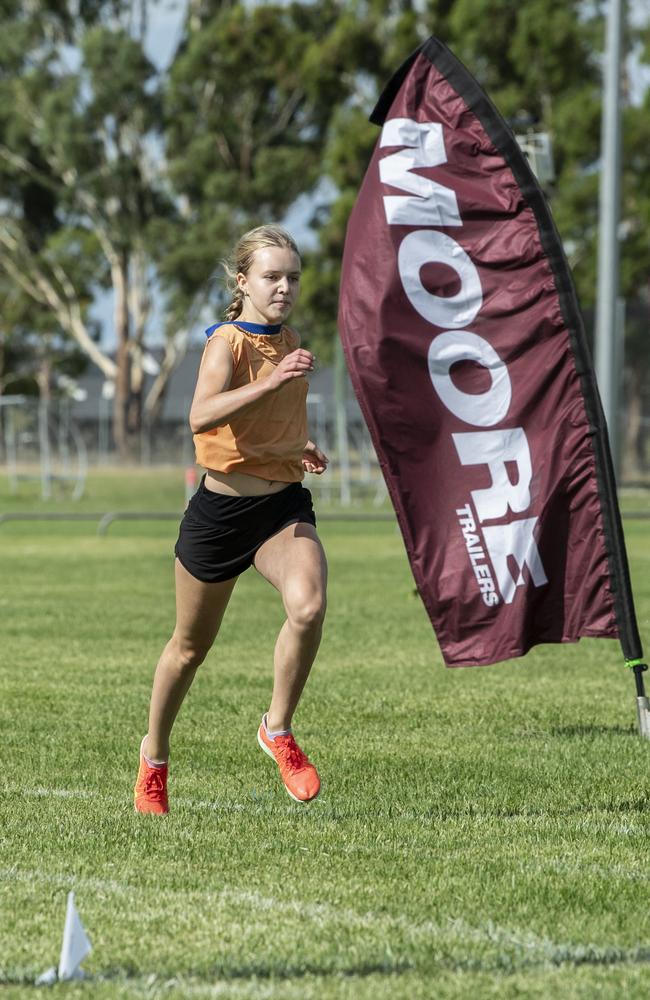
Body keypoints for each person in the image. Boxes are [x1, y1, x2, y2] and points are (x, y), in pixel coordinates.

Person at [134, 224, 329, 815]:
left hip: (281, 508)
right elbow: (201, 416)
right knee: (189, 649)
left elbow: (266, 425)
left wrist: (300, 445)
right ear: (242, 281)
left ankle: (277, 728)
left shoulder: (290, 337)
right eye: (272, 276)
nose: (285, 287)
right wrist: (271, 379)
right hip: (220, 514)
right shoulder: (226, 341)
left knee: (309, 606)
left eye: (292, 277)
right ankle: (154, 758)